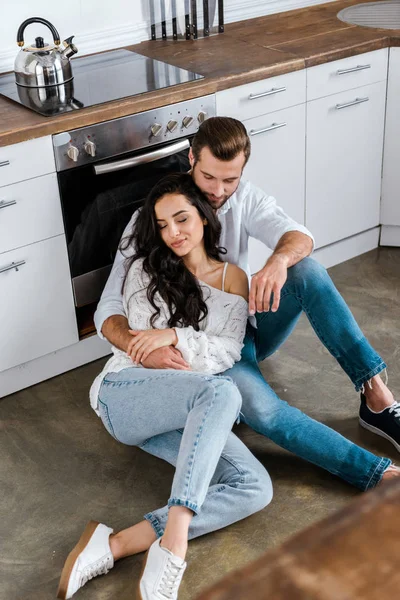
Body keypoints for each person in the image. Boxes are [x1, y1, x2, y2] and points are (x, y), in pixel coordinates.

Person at [95, 116, 400, 491]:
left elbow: (299, 236)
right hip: (191, 352)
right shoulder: (153, 221)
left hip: (238, 331)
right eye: (209, 178)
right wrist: (141, 349)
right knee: (267, 412)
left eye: (230, 179)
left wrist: (277, 262)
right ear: (191, 158)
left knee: (308, 272)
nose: (220, 190)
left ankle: (376, 396)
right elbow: (109, 308)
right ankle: (371, 471)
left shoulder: (244, 200)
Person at [57, 174, 273, 600]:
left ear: (205, 218)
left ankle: (115, 544)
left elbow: (227, 351)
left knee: (254, 486)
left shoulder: (234, 279)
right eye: (162, 225)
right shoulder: (144, 268)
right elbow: (141, 338)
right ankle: (174, 545)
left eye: (181, 219)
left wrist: (175, 336)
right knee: (222, 392)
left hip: (188, 406)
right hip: (124, 394)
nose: (173, 233)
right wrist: (175, 343)